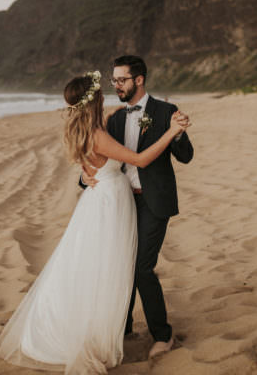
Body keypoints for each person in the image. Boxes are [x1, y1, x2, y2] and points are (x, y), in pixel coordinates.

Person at [0, 70, 190, 374]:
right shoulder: (97, 134)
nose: (107, 93)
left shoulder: (83, 129)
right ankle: (111, 329)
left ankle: (113, 325)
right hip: (110, 202)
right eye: (101, 92)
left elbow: (92, 168)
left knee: (98, 266)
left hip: (98, 201)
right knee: (111, 266)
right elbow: (138, 160)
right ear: (94, 99)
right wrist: (169, 132)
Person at [81, 55, 193, 358]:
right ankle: (124, 327)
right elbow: (100, 156)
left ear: (139, 80)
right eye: (114, 80)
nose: (115, 85)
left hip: (154, 200)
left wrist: (178, 132)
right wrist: (85, 177)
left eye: (121, 79)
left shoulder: (166, 111)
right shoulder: (115, 119)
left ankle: (163, 334)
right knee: (122, 264)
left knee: (142, 266)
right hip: (121, 203)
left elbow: (185, 156)